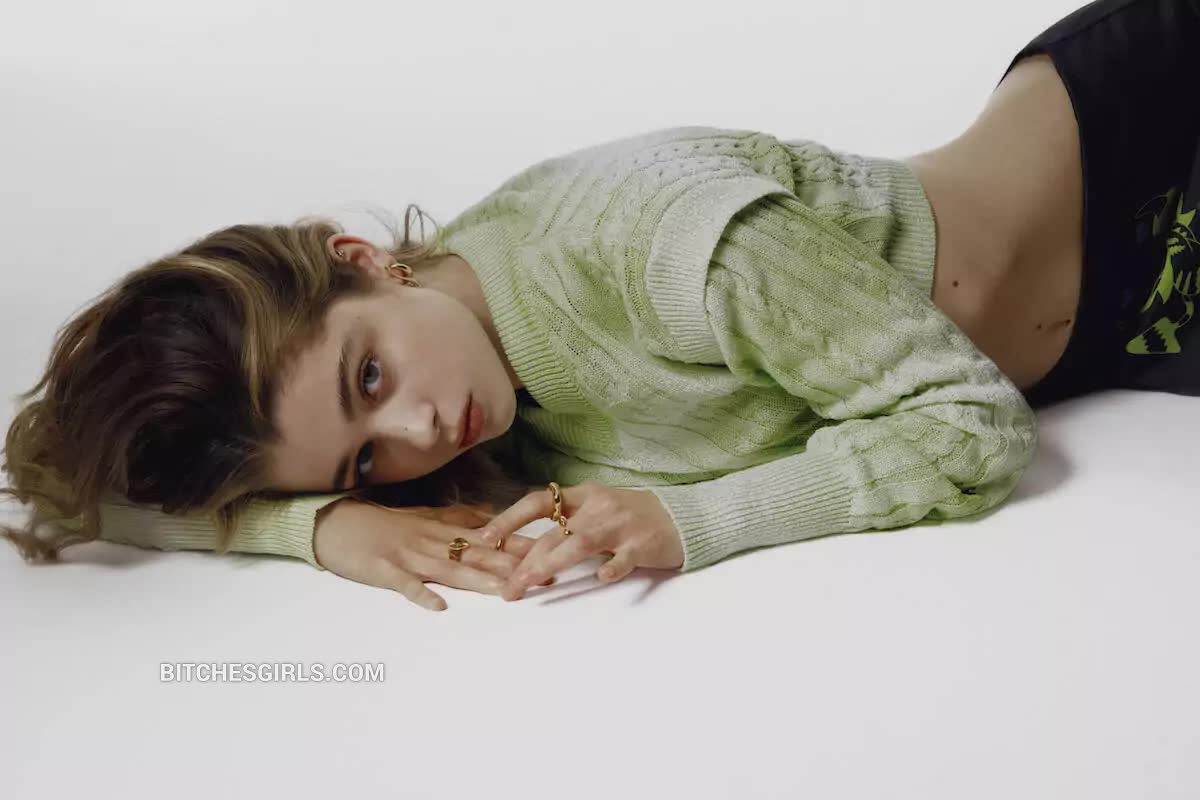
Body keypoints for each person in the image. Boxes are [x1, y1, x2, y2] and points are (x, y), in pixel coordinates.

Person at [38, 0, 1191, 607]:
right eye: (361, 457)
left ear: (366, 260)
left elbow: (970, 424)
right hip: (1130, 334)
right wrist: (326, 526)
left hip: (1147, 151)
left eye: (369, 376)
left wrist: (698, 521)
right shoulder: (469, 404)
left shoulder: (654, 242)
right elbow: (92, 502)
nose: (418, 433)